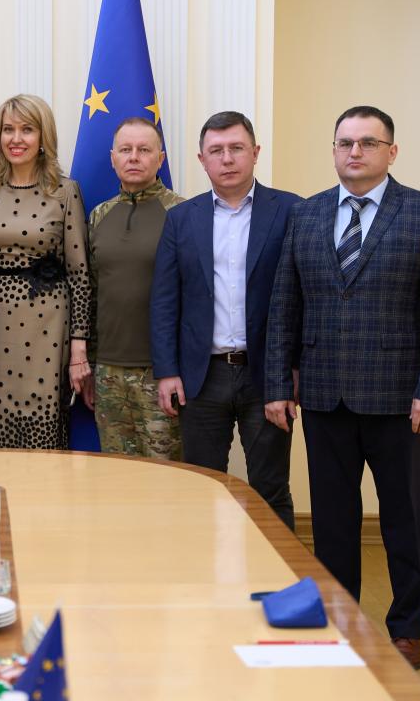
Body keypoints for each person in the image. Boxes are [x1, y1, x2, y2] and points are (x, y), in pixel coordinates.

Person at [265, 106, 420, 670]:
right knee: (332, 521)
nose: (355, 152)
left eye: (368, 143)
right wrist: (278, 384)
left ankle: (407, 629)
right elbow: (285, 306)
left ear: (391, 152)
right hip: (323, 395)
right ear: (334, 150)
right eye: (345, 142)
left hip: (400, 400)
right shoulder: (306, 214)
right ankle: (341, 620)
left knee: (406, 519)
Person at [150, 112, 300, 529]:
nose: (227, 158)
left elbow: (305, 297)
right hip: (202, 377)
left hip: (266, 376)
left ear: (255, 152)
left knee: (270, 488)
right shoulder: (182, 218)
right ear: (202, 160)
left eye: (236, 148)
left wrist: (294, 369)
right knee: (201, 486)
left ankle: (279, 571)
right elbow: (165, 300)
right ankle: (205, 570)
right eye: (216, 150)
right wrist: (167, 371)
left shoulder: (291, 211)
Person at [0, 95, 91, 448]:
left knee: (47, 433)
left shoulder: (65, 191)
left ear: (43, 137)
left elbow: (79, 274)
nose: (16, 139)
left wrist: (79, 347)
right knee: (1, 432)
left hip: (50, 327)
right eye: (8, 129)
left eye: (27, 129)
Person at [83, 117, 183, 459]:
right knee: (119, 475)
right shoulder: (99, 215)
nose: (134, 157)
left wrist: (177, 369)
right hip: (107, 373)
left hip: (161, 373)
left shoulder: (182, 213)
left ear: (160, 158)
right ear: (113, 158)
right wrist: (91, 364)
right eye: (125, 150)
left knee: (166, 475)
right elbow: (91, 292)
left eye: (144, 150)